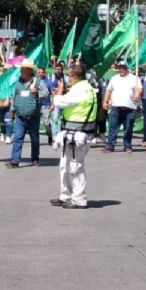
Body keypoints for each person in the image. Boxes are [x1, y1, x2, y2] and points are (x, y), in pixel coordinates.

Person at [51, 63, 97, 209]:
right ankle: (66, 195)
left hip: (78, 133)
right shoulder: (83, 88)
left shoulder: (81, 90)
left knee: (76, 167)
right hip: (72, 132)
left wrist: (59, 92)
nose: (67, 79)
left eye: (69, 76)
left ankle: (79, 199)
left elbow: (59, 102)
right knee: (64, 165)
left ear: (74, 76)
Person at [5, 59, 48, 168]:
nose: (21, 71)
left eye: (23, 69)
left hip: (33, 116)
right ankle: (15, 161)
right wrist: (12, 111)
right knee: (18, 138)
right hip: (20, 116)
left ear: (29, 70)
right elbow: (14, 97)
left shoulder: (38, 82)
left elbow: (47, 94)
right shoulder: (18, 82)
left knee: (34, 139)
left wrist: (38, 92)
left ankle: (35, 159)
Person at [104, 60, 142, 153]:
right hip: (116, 108)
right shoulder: (114, 78)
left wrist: (137, 94)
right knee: (112, 127)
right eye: (120, 67)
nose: (121, 69)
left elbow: (140, 88)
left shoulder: (134, 78)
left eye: (123, 67)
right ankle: (110, 146)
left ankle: (127, 146)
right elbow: (108, 90)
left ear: (127, 68)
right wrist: (105, 101)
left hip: (129, 108)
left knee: (128, 128)